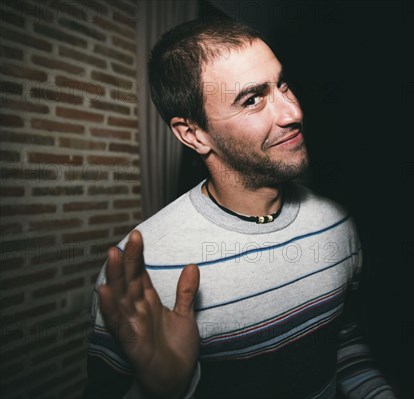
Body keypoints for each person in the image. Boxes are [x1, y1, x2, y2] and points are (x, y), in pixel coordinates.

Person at [84, 17, 396, 399]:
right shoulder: (144, 272)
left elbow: (343, 343)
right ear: (193, 134)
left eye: (282, 85)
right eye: (252, 99)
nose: (292, 113)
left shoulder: (336, 224)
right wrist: (163, 390)